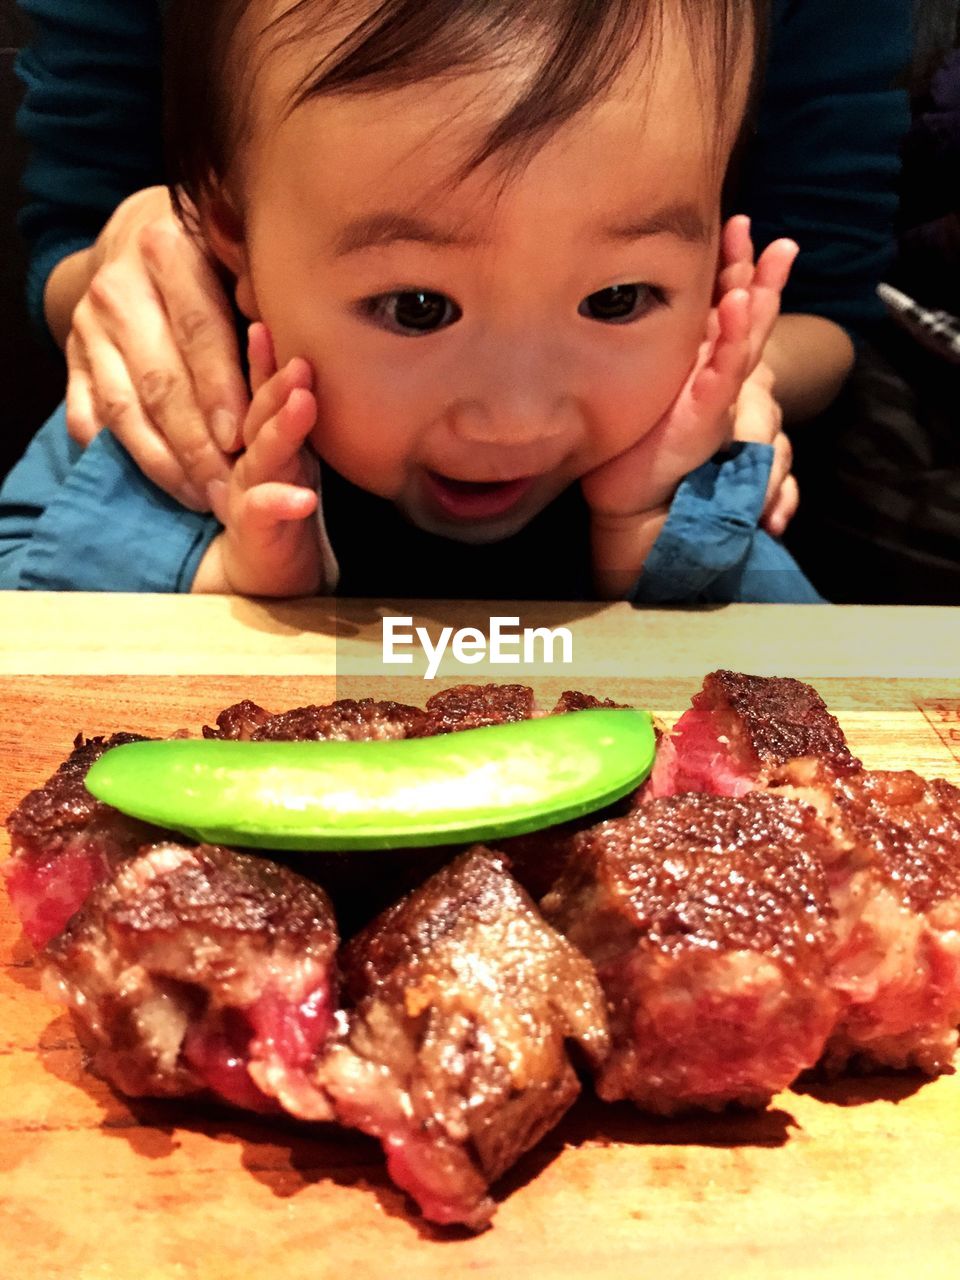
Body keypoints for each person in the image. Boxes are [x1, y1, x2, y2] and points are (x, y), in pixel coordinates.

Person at [0, 0, 902, 600]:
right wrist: (230, 586)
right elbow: (32, 629)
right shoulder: (197, 399)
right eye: (418, 308)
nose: (515, 415)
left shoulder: (688, 442)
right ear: (234, 233)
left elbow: (795, 702)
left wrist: (651, 542)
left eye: (619, 298)